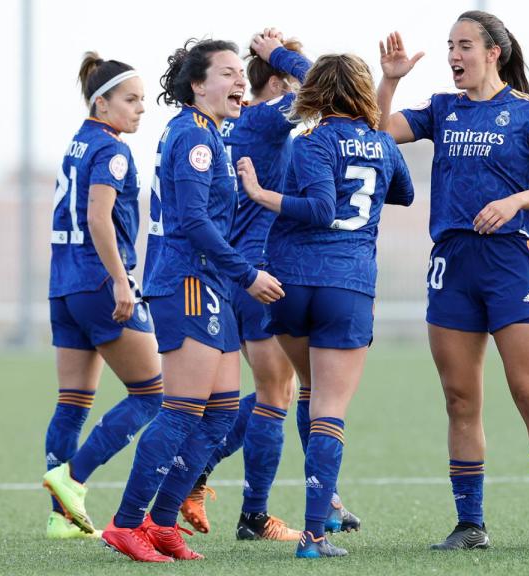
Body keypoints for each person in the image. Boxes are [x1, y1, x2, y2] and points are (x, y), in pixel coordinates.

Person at [377, 11, 529, 550]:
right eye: (449, 45)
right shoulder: (443, 110)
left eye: (464, 45)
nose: (453, 55)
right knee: (460, 398)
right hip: (453, 264)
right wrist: (390, 78)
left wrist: (514, 201)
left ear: (494, 52)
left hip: (511, 261)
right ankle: (471, 525)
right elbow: (376, 128)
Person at [100, 38, 284, 563]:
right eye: (226, 73)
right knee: (181, 410)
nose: (238, 82)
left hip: (210, 284)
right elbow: (193, 222)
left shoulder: (209, 133)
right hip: (187, 281)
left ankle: (161, 522)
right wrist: (248, 274)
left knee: (223, 411)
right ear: (198, 85)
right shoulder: (194, 137)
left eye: (238, 73)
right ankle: (127, 522)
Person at [176, 27, 361, 543]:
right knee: (275, 395)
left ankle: (318, 499)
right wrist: (278, 53)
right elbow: (321, 84)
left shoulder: (212, 128)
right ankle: (248, 510)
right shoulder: (265, 119)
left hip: (219, 274)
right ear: (278, 83)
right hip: (256, 272)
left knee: (243, 398)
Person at [236, 52, 414, 558]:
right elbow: (400, 193)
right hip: (346, 284)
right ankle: (314, 536)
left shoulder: (308, 140)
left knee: (309, 392)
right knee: (330, 411)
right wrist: (262, 192)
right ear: (361, 91)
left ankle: (327, 507)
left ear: (314, 92)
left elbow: (314, 206)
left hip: (291, 283)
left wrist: (259, 192)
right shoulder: (381, 141)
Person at [42, 52, 163, 540]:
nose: (140, 109)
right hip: (98, 282)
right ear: (102, 102)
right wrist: (119, 279)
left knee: (72, 401)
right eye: (130, 100)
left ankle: (60, 517)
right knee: (151, 394)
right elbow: (98, 219)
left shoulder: (77, 143)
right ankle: (71, 480)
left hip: (64, 286)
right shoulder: (112, 150)